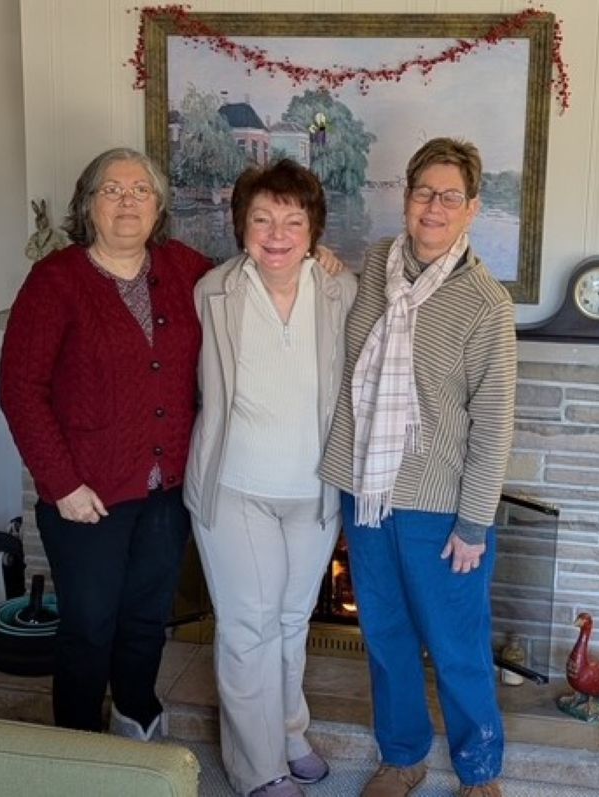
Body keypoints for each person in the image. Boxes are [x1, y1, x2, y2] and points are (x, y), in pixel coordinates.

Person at [320, 138, 517, 797]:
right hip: (369, 495)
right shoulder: (376, 263)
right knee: (387, 638)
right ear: (406, 199)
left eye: (449, 196)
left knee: (459, 648)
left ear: (473, 208)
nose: (434, 206)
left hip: (442, 509)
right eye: (423, 192)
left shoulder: (486, 304)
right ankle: (402, 757)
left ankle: (479, 772)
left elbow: (492, 425)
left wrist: (474, 521)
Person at [0, 147, 212, 738]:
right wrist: (60, 483)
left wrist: (317, 261)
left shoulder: (186, 269)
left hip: (166, 491)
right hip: (84, 495)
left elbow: (253, 273)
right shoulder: (55, 281)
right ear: (88, 205)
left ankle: (135, 718)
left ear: (159, 205)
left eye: (140, 190)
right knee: (89, 624)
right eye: (111, 189)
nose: (127, 200)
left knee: (146, 619)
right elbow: (20, 390)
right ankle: (77, 742)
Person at [183, 159, 357, 797]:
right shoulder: (214, 292)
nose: (277, 233)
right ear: (241, 227)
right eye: (263, 218)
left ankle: (288, 730)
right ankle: (257, 768)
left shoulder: (345, 290)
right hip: (235, 488)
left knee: (289, 622)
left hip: (314, 492)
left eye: (293, 219)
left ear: (313, 230)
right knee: (247, 627)